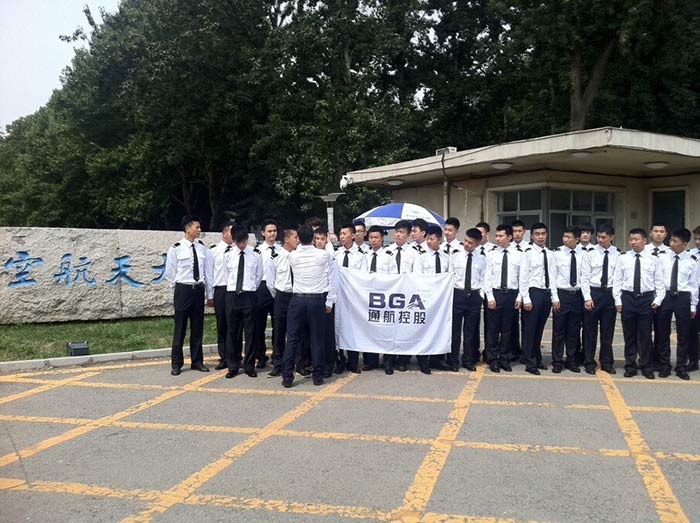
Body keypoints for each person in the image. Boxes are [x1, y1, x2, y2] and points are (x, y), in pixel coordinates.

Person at [281, 225, 336, 387]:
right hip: (316, 300)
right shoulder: (323, 255)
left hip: (298, 299)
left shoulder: (293, 256)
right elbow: (331, 266)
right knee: (317, 339)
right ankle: (317, 376)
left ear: (299, 238)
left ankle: (287, 376)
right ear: (313, 238)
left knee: (292, 339)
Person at [613, 228, 666, 379]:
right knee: (629, 335)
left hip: (646, 299)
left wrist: (658, 299)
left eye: (636, 239)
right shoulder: (623, 258)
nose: (633, 242)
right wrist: (617, 299)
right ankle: (630, 366)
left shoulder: (653, 259)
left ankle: (646, 366)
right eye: (631, 239)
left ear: (644, 241)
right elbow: (617, 280)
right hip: (628, 298)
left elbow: (659, 281)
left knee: (645, 336)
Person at [165, 215, 213, 376]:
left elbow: (207, 271)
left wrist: (209, 293)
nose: (199, 230)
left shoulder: (201, 247)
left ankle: (197, 361)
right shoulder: (176, 248)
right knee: (180, 328)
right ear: (188, 228)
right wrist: (179, 287)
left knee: (197, 327)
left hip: (198, 290)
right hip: (183, 290)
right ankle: (176, 363)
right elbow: (170, 272)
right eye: (196, 227)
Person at [656, 228, 698, 380]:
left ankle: (681, 366)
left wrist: (693, 305)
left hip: (683, 297)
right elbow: (658, 279)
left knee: (683, 334)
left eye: (675, 241)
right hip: (666, 296)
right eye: (671, 240)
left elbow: (693, 284)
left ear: (685, 243)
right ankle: (664, 365)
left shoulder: (692, 260)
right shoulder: (663, 257)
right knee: (662, 332)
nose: (671, 244)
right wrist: (658, 298)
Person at [224, 224, 263, 379]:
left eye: (244, 241)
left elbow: (258, 276)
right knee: (232, 331)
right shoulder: (228, 254)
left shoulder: (255, 254)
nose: (241, 244)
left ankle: (249, 365)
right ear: (233, 240)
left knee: (251, 331)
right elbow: (227, 275)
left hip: (249, 295)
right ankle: (233, 365)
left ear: (247, 238)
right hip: (232, 295)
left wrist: (249, 288)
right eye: (238, 242)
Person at [580, 223, 619, 374]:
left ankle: (606, 362)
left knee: (607, 331)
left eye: (604, 237)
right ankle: (589, 362)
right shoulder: (590, 253)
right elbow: (584, 277)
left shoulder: (618, 254)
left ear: (612, 237)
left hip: (609, 294)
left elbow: (619, 278)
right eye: (599, 237)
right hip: (594, 294)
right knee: (590, 331)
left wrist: (617, 298)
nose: (601, 240)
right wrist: (587, 298)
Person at [483, 224, 522, 373]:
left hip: (511, 295)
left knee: (507, 329)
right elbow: (488, 277)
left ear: (510, 237)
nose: (498, 239)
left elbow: (522, 277)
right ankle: (493, 359)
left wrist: (520, 296)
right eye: (497, 236)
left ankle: (505, 358)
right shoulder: (491, 254)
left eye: (501, 236)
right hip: (496, 294)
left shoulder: (519, 255)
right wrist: (489, 296)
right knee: (493, 329)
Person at [519, 222, 555, 375]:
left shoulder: (550, 253)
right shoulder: (527, 253)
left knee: (539, 329)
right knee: (530, 330)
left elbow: (552, 276)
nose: (541, 237)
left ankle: (537, 358)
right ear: (532, 236)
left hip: (546, 294)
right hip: (533, 293)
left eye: (543, 234)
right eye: (537, 234)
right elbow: (523, 277)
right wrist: (526, 298)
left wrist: (554, 297)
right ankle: (530, 362)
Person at [449, 227, 486, 371]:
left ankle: (468, 360)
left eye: (470, 243)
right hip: (458, 295)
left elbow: (483, 278)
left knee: (470, 331)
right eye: (465, 240)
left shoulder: (482, 258)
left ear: (477, 243)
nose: (466, 244)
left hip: (474, 297)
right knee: (455, 331)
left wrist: (480, 295)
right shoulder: (455, 255)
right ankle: (453, 360)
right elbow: (450, 275)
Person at [415, 224, 451, 373]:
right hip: (426, 298)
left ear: (439, 239)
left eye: (432, 239)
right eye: (428, 239)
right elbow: (417, 278)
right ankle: (423, 360)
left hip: (441, 300)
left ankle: (437, 359)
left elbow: (449, 277)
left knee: (440, 329)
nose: (429, 242)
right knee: (424, 329)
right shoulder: (421, 257)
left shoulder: (446, 257)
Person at [265, 226, 299, 377]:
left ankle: (298, 363)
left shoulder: (298, 256)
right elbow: (270, 282)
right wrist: (279, 295)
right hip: (281, 296)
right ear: (287, 239)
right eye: (295, 237)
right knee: (279, 330)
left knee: (297, 331)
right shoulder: (276, 257)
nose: (298, 240)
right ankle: (278, 363)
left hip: (296, 296)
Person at [550, 226, 584, 373]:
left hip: (577, 296)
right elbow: (552, 277)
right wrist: (554, 297)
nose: (565, 239)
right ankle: (557, 361)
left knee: (573, 330)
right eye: (564, 236)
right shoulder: (557, 253)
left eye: (568, 237)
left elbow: (585, 277)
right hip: (562, 295)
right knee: (559, 330)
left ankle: (571, 360)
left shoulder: (584, 254)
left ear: (577, 239)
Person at [387, 219, 419, 373]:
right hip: (390, 295)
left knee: (404, 328)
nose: (398, 235)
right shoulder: (387, 251)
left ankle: (403, 360)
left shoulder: (413, 252)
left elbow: (416, 274)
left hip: (406, 295)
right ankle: (388, 360)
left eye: (401, 232)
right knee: (390, 328)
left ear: (407, 235)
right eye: (396, 232)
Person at [333, 223, 367, 372]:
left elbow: (363, 279)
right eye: (340, 234)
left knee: (353, 329)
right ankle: (340, 360)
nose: (342, 237)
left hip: (353, 299)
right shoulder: (336, 255)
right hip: (338, 298)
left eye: (345, 234)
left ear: (353, 235)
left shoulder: (360, 256)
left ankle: (353, 361)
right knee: (338, 328)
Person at [205, 220, 235, 370]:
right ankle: (224, 357)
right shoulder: (213, 251)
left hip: (235, 290)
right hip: (221, 290)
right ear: (224, 233)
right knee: (222, 324)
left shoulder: (238, 250)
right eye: (231, 232)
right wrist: (210, 295)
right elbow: (209, 275)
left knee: (235, 324)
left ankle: (235, 356)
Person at [362, 225, 392, 371]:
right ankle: (370, 361)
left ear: (382, 239)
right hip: (368, 297)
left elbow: (393, 277)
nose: (373, 240)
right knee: (369, 328)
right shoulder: (364, 256)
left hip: (384, 297)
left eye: (376, 237)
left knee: (386, 329)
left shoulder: (388, 256)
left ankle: (388, 362)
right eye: (371, 237)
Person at [253, 218, 279, 369]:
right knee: (259, 325)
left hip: (277, 288)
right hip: (261, 288)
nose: (272, 234)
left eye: (274, 231)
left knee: (278, 325)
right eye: (269, 231)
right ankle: (260, 355)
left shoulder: (281, 250)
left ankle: (278, 356)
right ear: (263, 233)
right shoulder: (257, 251)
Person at [645, 222, 670, 372]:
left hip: (663, 297)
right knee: (645, 332)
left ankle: (663, 363)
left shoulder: (670, 252)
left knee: (662, 332)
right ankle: (647, 360)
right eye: (656, 231)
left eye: (661, 231)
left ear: (666, 234)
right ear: (650, 233)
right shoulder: (643, 250)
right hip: (646, 297)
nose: (658, 234)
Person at [315, 227, 339, 377]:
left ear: (326, 240)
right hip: (313, 297)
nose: (319, 242)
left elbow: (334, 281)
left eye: (322, 239)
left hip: (326, 297)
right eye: (317, 239)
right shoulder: (312, 255)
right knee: (315, 333)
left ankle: (328, 365)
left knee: (327, 334)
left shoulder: (330, 257)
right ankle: (317, 363)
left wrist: (330, 301)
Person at [509, 219, 527, 363]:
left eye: (519, 231)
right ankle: (512, 348)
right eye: (514, 231)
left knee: (526, 322)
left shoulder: (529, 248)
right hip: (511, 290)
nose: (517, 234)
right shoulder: (508, 248)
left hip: (525, 290)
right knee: (511, 322)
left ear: (524, 232)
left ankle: (525, 350)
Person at [689, 225, 700, 371]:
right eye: (696, 239)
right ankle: (693, 360)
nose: (697, 242)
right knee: (692, 329)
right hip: (695, 293)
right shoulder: (690, 255)